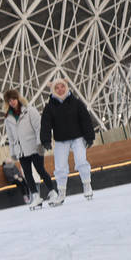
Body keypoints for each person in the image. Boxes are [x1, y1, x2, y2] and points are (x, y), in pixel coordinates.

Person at [40, 78, 95, 206]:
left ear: (66, 87)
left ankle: (87, 185)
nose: (60, 89)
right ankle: (61, 193)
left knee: (81, 161)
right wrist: (46, 140)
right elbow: (46, 124)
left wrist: (89, 136)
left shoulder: (76, 103)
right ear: (53, 90)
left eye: (62, 86)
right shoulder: (49, 107)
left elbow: (85, 120)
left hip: (78, 137)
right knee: (60, 167)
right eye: (57, 87)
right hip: (61, 140)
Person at [2, 89, 57, 210]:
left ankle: (53, 191)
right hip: (21, 150)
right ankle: (36, 196)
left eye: (14, 99)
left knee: (40, 170)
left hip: (34, 146)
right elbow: (11, 138)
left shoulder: (29, 111)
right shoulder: (8, 118)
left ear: (18, 98)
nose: (12, 102)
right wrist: (13, 152)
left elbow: (39, 128)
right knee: (27, 174)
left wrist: (40, 143)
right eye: (9, 101)